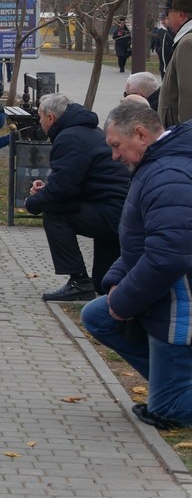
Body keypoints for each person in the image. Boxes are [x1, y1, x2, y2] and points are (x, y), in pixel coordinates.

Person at [82, 101, 192, 429]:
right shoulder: (156, 165)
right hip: (166, 294)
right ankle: (171, 383)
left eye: (117, 146)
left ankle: (172, 393)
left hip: (178, 304)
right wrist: (117, 281)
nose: (114, 156)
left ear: (141, 134)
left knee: (167, 411)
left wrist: (124, 302)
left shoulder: (167, 173)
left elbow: (168, 256)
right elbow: (141, 238)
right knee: (97, 315)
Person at [24, 93, 130, 302]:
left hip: (112, 212)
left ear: (51, 118)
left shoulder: (69, 137)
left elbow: (63, 190)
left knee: (55, 214)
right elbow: (74, 181)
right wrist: (47, 190)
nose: (39, 122)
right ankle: (101, 285)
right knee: (102, 283)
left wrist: (33, 203)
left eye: (40, 117)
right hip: (117, 208)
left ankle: (79, 281)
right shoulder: (86, 131)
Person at [158, 0, 192, 127]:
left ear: (180, 15)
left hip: (182, 136)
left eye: (168, 12)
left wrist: (184, 139)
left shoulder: (187, 44)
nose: (166, 17)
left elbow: (188, 95)